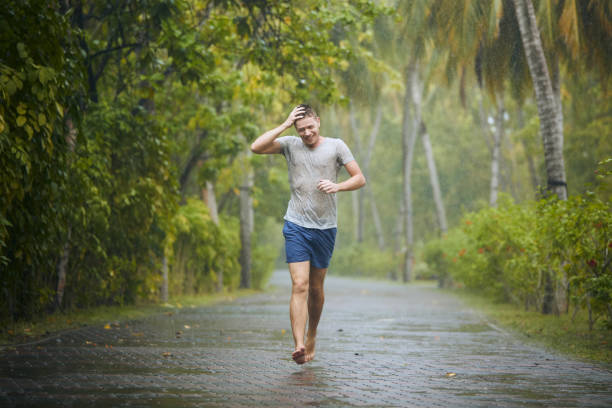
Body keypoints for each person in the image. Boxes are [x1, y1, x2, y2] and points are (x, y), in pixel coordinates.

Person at [250, 104, 366, 364]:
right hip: (296, 225)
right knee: (299, 284)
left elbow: (359, 178)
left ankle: (312, 333)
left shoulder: (336, 146)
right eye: (301, 129)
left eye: (310, 127)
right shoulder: (290, 144)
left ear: (319, 122)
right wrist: (284, 124)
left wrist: (338, 186)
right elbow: (256, 147)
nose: (307, 133)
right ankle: (299, 344)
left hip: (325, 228)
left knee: (315, 287)